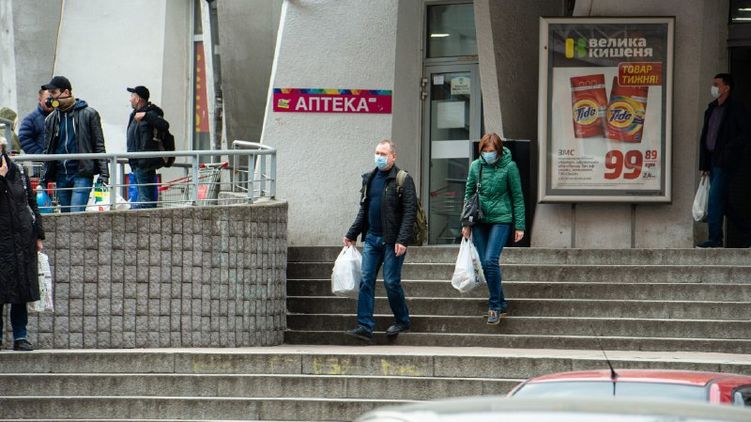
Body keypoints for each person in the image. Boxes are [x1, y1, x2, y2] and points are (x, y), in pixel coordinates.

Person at [343, 140, 417, 342]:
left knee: (391, 282)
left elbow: (410, 212)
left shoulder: (403, 179)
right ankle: (365, 326)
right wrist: (352, 233)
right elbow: (364, 209)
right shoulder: (369, 179)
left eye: (384, 154)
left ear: (393, 156)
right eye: (377, 153)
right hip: (372, 239)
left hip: (393, 242)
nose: (379, 157)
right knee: (366, 280)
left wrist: (402, 240)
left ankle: (402, 320)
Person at [461, 133, 525, 325]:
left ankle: (494, 306)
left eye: (491, 151)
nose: (488, 154)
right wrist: (466, 223)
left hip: (501, 219)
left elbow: (518, 197)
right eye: (485, 151)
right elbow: (468, 194)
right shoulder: (476, 166)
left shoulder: (509, 167)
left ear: (498, 150)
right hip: (479, 220)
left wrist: (520, 225)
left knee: (490, 260)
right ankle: (502, 302)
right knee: (484, 263)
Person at [0, 136, 45, 351]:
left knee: (21, 290)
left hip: (22, 239)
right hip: (2, 241)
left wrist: (38, 235)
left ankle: (20, 336)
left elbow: (31, 202)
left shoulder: (18, 170)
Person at [39, 76, 109, 213]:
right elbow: (47, 150)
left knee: (76, 214)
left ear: (66, 92)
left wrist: (104, 174)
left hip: (82, 173)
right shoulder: (51, 119)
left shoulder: (89, 114)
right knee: (66, 216)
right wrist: (43, 179)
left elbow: (99, 145)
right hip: (61, 174)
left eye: (53, 93)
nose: (50, 98)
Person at [697, 73, 751, 248]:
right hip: (712, 160)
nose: (713, 88)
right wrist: (704, 164)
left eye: (716, 84)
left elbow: (745, 133)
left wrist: (729, 149)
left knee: (714, 198)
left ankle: (715, 239)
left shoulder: (736, 108)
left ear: (726, 88)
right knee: (723, 201)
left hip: (725, 161)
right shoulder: (711, 108)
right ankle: (748, 231)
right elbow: (705, 137)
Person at [126, 85, 169, 209]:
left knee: (145, 202)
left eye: (132, 96)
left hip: (144, 163)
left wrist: (145, 116)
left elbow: (164, 125)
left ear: (138, 99)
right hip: (136, 162)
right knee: (145, 200)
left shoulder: (151, 113)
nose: (130, 99)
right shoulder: (134, 114)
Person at [19, 89, 53, 154]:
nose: (51, 102)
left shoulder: (60, 116)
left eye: (53, 99)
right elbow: (24, 139)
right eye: (48, 99)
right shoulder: (31, 119)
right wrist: (40, 155)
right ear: (40, 100)